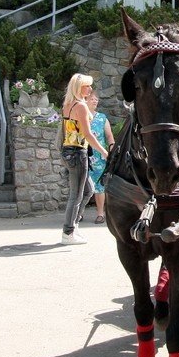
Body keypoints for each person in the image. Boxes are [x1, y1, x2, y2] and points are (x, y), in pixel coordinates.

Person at [60, 74, 109, 245]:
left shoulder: (68, 104)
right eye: (87, 86)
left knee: (88, 190)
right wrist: (104, 151)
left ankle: (73, 227)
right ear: (79, 87)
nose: (89, 89)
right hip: (78, 153)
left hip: (69, 151)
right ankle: (68, 232)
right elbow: (88, 134)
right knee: (77, 194)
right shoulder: (80, 106)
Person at [85, 93, 115, 224]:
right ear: (85, 100)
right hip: (83, 155)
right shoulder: (81, 116)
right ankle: (78, 213)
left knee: (99, 186)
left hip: (100, 156)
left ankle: (100, 214)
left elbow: (109, 136)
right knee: (82, 186)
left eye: (96, 99)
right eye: (92, 99)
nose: (95, 101)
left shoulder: (102, 118)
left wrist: (112, 148)